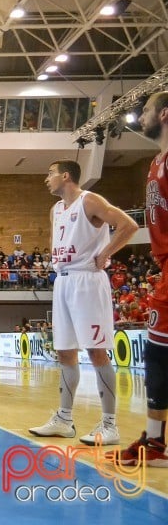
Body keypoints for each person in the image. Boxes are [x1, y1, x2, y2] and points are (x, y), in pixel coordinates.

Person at [28, 160, 138, 445]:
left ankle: (110, 425)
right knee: (65, 352)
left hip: (88, 280)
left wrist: (107, 252)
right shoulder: (55, 210)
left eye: (50, 173)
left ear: (66, 176)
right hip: (62, 281)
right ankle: (64, 419)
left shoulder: (90, 200)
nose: (46, 179)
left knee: (97, 352)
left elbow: (128, 225)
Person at [111, 93, 168, 466]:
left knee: (159, 355)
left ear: (165, 114)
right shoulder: (155, 163)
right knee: (158, 355)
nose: (141, 116)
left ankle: (156, 443)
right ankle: (156, 442)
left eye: (146, 110)